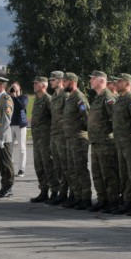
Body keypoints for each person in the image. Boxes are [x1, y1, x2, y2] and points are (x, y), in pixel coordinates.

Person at [87, 71, 119, 212]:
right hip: (95, 142)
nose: (90, 81)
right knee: (97, 173)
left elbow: (116, 119)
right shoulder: (97, 98)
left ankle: (113, 201)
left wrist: (108, 133)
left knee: (108, 173)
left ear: (101, 81)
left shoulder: (108, 97)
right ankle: (102, 199)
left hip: (106, 142)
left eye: (93, 79)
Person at [111, 74, 131, 215]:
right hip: (121, 142)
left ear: (128, 83)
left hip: (130, 143)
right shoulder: (120, 99)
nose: (116, 83)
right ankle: (127, 200)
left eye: (119, 81)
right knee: (124, 174)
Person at [61, 72, 92, 210]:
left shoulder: (79, 98)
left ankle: (85, 198)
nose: (63, 84)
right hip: (70, 139)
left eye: (65, 82)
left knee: (80, 169)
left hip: (78, 139)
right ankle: (77, 196)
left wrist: (81, 131)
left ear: (72, 82)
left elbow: (87, 119)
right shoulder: (69, 98)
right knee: (72, 169)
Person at [29, 76, 56, 203]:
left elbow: (54, 118)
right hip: (37, 139)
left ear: (44, 86)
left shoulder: (48, 99)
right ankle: (44, 191)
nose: (34, 85)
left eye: (36, 83)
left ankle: (55, 191)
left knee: (48, 165)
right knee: (39, 166)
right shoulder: (37, 99)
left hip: (46, 139)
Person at [46, 71, 70, 205]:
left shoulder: (66, 95)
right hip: (54, 134)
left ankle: (66, 193)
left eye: (53, 80)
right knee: (57, 166)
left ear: (60, 81)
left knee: (65, 165)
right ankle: (61, 192)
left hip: (62, 135)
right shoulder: (54, 96)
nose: (50, 82)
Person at [9, 82, 28, 177]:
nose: (14, 90)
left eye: (15, 88)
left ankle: (21, 169)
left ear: (20, 89)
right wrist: (11, 96)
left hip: (20, 125)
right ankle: (10, 168)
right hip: (10, 125)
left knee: (22, 148)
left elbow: (21, 106)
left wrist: (15, 97)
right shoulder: (9, 98)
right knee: (9, 148)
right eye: (12, 88)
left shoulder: (23, 98)